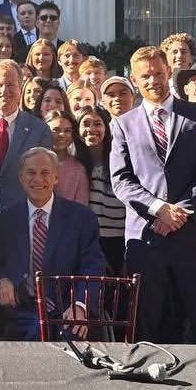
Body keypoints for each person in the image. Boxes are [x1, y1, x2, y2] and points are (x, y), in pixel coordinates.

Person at [110, 46, 196, 343]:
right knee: (147, 326)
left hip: (194, 239)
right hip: (147, 240)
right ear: (134, 80)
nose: (153, 81)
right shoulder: (123, 124)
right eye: (145, 76)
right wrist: (158, 209)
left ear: (169, 72)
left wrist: (178, 213)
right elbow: (121, 180)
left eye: (158, 73)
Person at [0, 146, 104, 340]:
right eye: (31, 173)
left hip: (68, 306)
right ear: (21, 178)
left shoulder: (81, 218)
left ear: (56, 177)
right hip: (23, 309)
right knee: (36, 335)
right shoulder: (5, 218)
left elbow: (91, 266)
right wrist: (1, 281)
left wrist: (80, 305)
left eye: (45, 173)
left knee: (72, 339)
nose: (38, 179)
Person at [0, 59, 52, 241]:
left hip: (21, 223)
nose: (5, 90)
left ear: (21, 87)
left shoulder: (39, 129)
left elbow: (43, 179)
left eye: (11, 84)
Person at [76, 105, 126, 275]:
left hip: (121, 241)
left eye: (97, 124)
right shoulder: (76, 164)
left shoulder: (120, 160)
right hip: (90, 243)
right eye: (85, 124)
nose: (91, 129)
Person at [46, 110, 87, 205]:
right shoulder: (33, 163)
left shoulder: (78, 169)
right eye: (56, 130)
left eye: (67, 131)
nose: (62, 135)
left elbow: (81, 206)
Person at [161, 33, 196, 97]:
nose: (179, 55)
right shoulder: (161, 87)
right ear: (166, 58)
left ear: (191, 57)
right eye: (174, 52)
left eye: (183, 51)